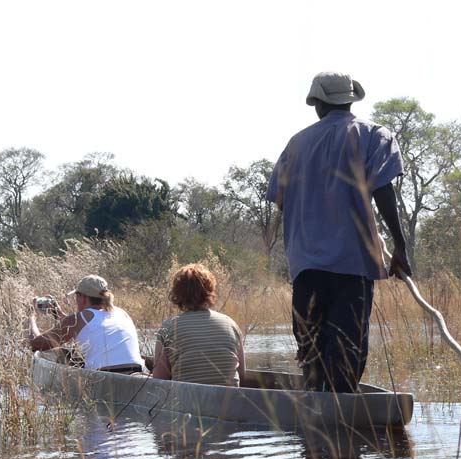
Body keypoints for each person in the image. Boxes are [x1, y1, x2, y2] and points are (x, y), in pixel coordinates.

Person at [266, 71, 412, 393]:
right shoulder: (373, 135)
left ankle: (316, 434)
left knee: (311, 354)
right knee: (347, 354)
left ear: (318, 103)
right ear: (350, 100)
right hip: (352, 265)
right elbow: (383, 191)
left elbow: (280, 200)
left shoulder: (296, 144)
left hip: (306, 268)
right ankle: (340, 431)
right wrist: (399, 246)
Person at [27, 274, 147, 374]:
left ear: (83, 298)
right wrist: (57, 311)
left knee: (60, 353)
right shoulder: (121, 312)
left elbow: (36, 344)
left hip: (104, 376)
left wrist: (31, 316)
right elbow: (89, 326)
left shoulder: (78, 319)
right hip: (136, 371)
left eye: (77, 296)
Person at [153, 263, 246, 386]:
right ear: (209, 291)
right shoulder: (230, 324)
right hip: (228, 402)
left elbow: (159, 381)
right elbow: (242, 374)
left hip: (186, 402)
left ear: (178, 294)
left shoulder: (168, 328)